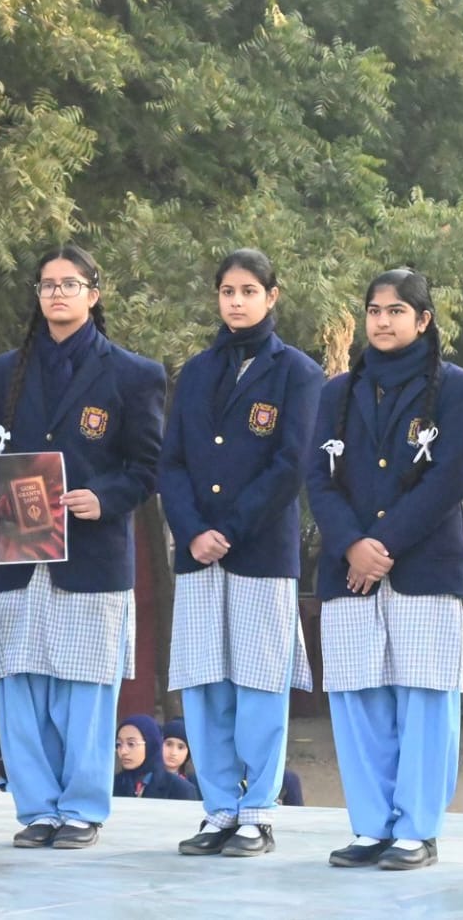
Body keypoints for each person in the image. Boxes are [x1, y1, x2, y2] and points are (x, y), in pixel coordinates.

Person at [0, 244, 165, 851]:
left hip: (92, 555)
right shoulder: (4, 372)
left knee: (85, 691)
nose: (57, 293)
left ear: (93, 293)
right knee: (22, 688)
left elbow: (148, 467)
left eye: (70, 283)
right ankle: (36, 808)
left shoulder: (133, 373)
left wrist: (103, 498)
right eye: (48, 284)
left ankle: (81, 809)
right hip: (20, 554)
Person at [306, 269, 463, 872]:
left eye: (396, 311)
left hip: (422, 564)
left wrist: (382, 544)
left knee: (425, 694)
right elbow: (318, 479)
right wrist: (351, 544)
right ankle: (371, 825)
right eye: (374, 310)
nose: (382, 321)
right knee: (358, 694)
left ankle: (416, 828)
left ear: (423, 320)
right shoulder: (336, 392)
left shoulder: (458, 388)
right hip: (348, 569)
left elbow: (452, 477)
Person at [159, 249, 321, 858]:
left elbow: (290, 465)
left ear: (271, 297)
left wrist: (226, 529)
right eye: (228, 291)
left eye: (249, 291)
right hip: (197, 552)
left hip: (259, 551)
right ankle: (219, 807)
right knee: (206, 685)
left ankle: (257, 812)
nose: (237, 301)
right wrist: (192, 530)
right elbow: (171, 461)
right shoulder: (197, 371)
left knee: (259, 684)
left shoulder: (297, 372)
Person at [113, 715, 201, 800]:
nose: (123, 751)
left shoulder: (181, 789)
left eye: (131, 744)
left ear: (151, 744)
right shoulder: (111, 784)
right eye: (118, 744)